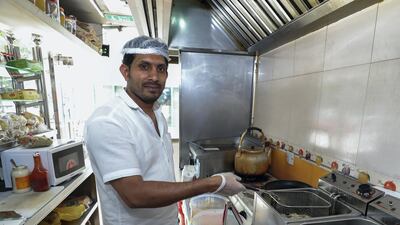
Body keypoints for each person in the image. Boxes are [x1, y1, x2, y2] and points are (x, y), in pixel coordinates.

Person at [84, 36, 245, 225]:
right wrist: (214, 183)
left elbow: (158, 174)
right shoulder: (108, 121)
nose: (154, 76)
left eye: (161, 69)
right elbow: (135, 195)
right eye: (144, 66)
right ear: (125, 71)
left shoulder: (157, 114)